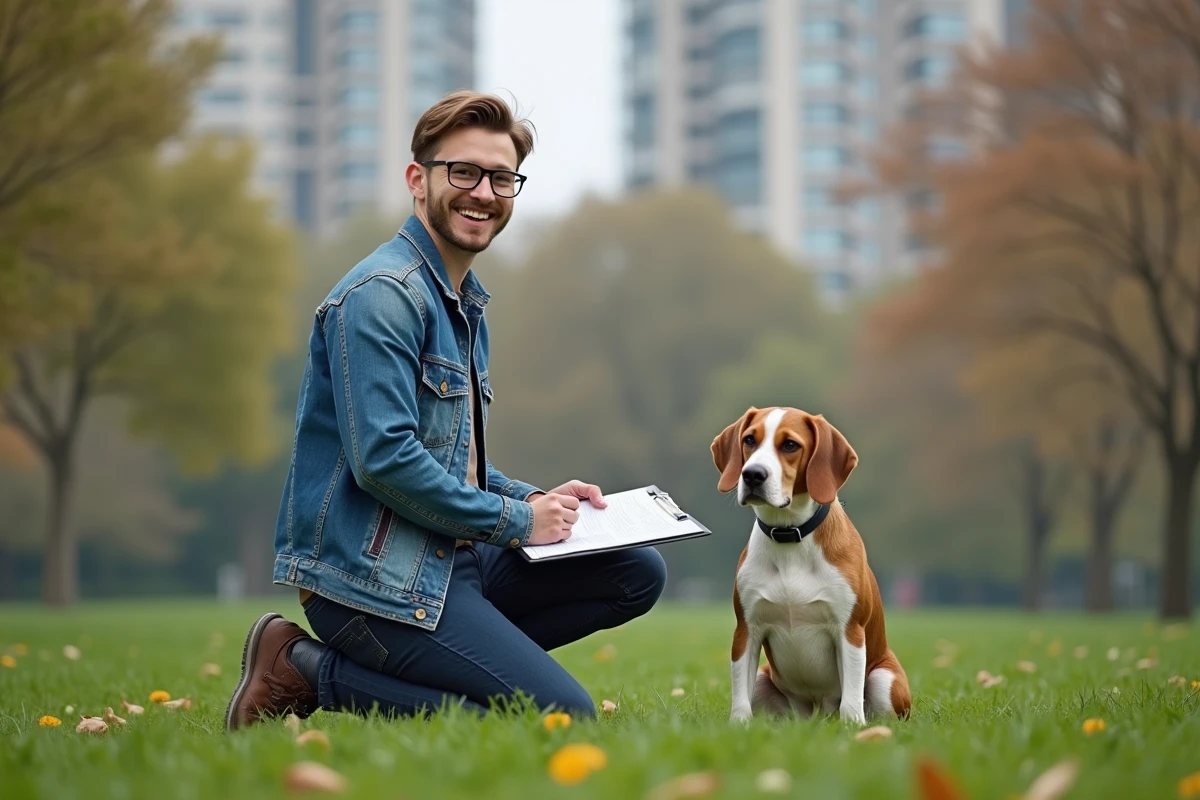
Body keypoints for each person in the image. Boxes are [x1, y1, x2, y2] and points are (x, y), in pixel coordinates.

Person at [224, 91, 668, 730]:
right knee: (559, 716)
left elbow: (449, 459)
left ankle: (464, 670)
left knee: (634, 570)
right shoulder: (382, 298)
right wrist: (518, 521)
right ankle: (304, 667)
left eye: (501, 177)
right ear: (418, 179)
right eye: (464, 172)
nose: (483, 192)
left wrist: (543, 503)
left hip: (447, 557)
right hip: (371, 580)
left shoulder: (461, 302)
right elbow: (385, 463)